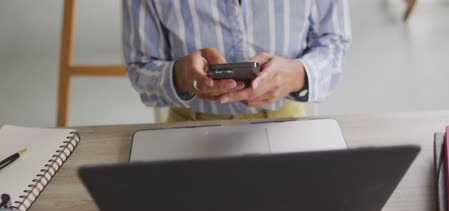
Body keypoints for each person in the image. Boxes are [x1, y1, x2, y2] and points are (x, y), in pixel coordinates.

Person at [122, 0, 351, 122]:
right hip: (188, 129)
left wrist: (298, 74)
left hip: (287, 124)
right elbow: (140, 65)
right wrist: (180, 76)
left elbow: (334, 42)